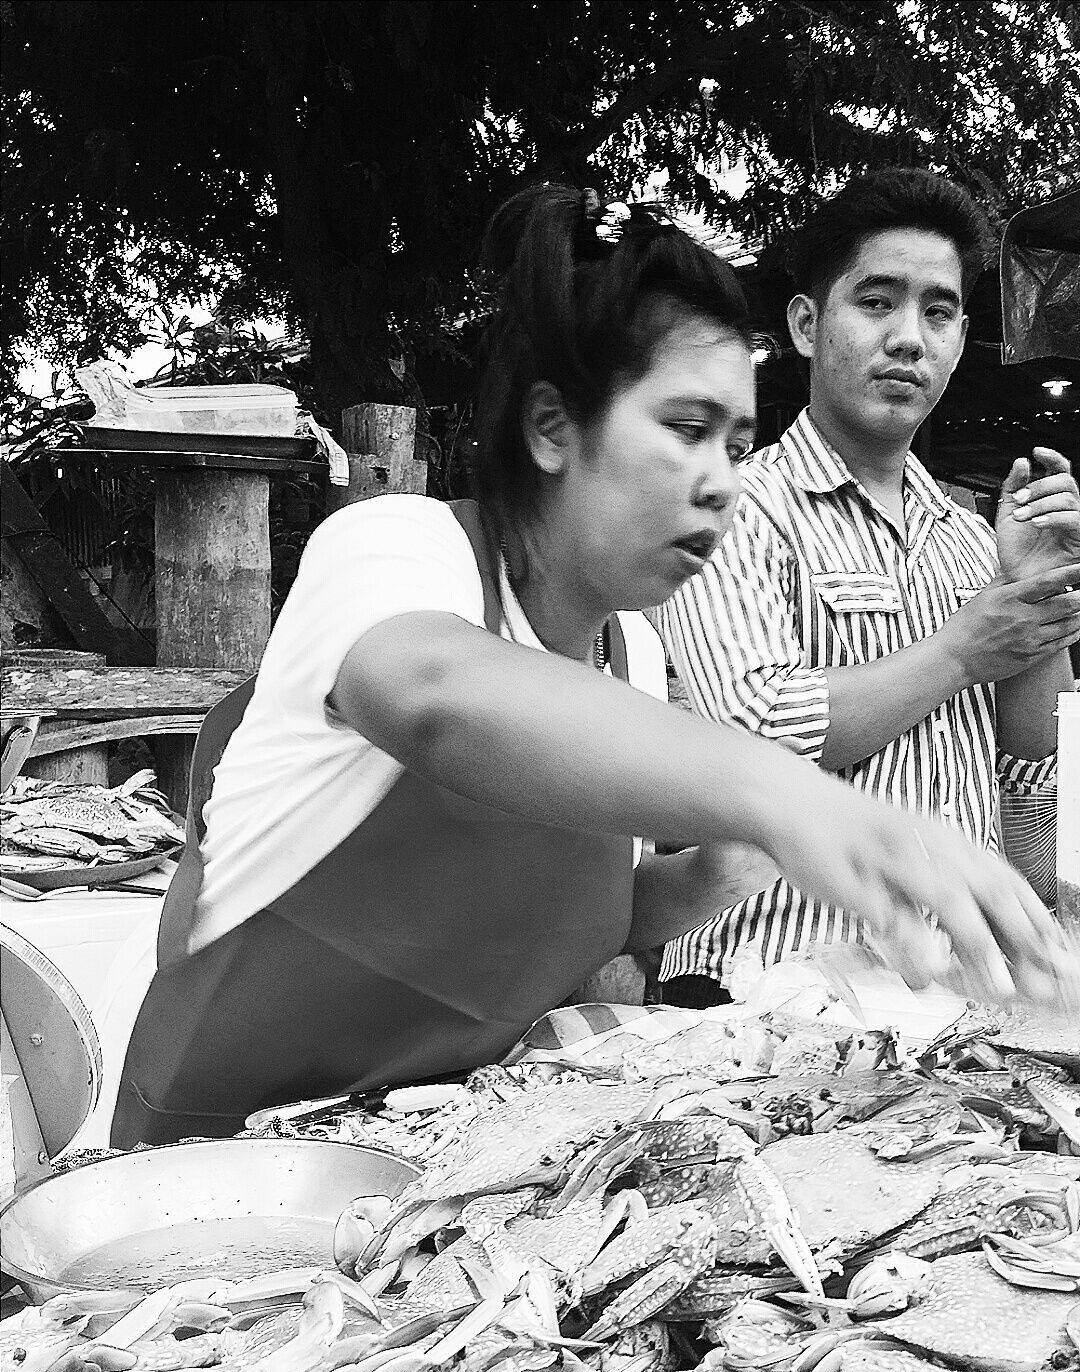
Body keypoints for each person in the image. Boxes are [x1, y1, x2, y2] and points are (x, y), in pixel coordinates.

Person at [111, 184, 1078, 1148]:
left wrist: (729, 869)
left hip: (432, 1162)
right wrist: (791, 798)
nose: (722, 484)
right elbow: (430, 694)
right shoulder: (395, 549)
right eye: (687, 430)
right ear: (553, 429)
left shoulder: (635, 651)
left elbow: (597, 915)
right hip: (213, 1176)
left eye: (738, 445)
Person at [659, 168, 1080, 1005]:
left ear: (961, 337)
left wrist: (1033, 597)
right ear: (808, 324)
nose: (909, 338)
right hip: (760, 988)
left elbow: (1032, 792)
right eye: (877, 301)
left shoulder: (968, 535)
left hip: (955, 997)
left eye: (938, 311)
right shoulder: (734, 506)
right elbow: (757, 734)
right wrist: (962, 650)